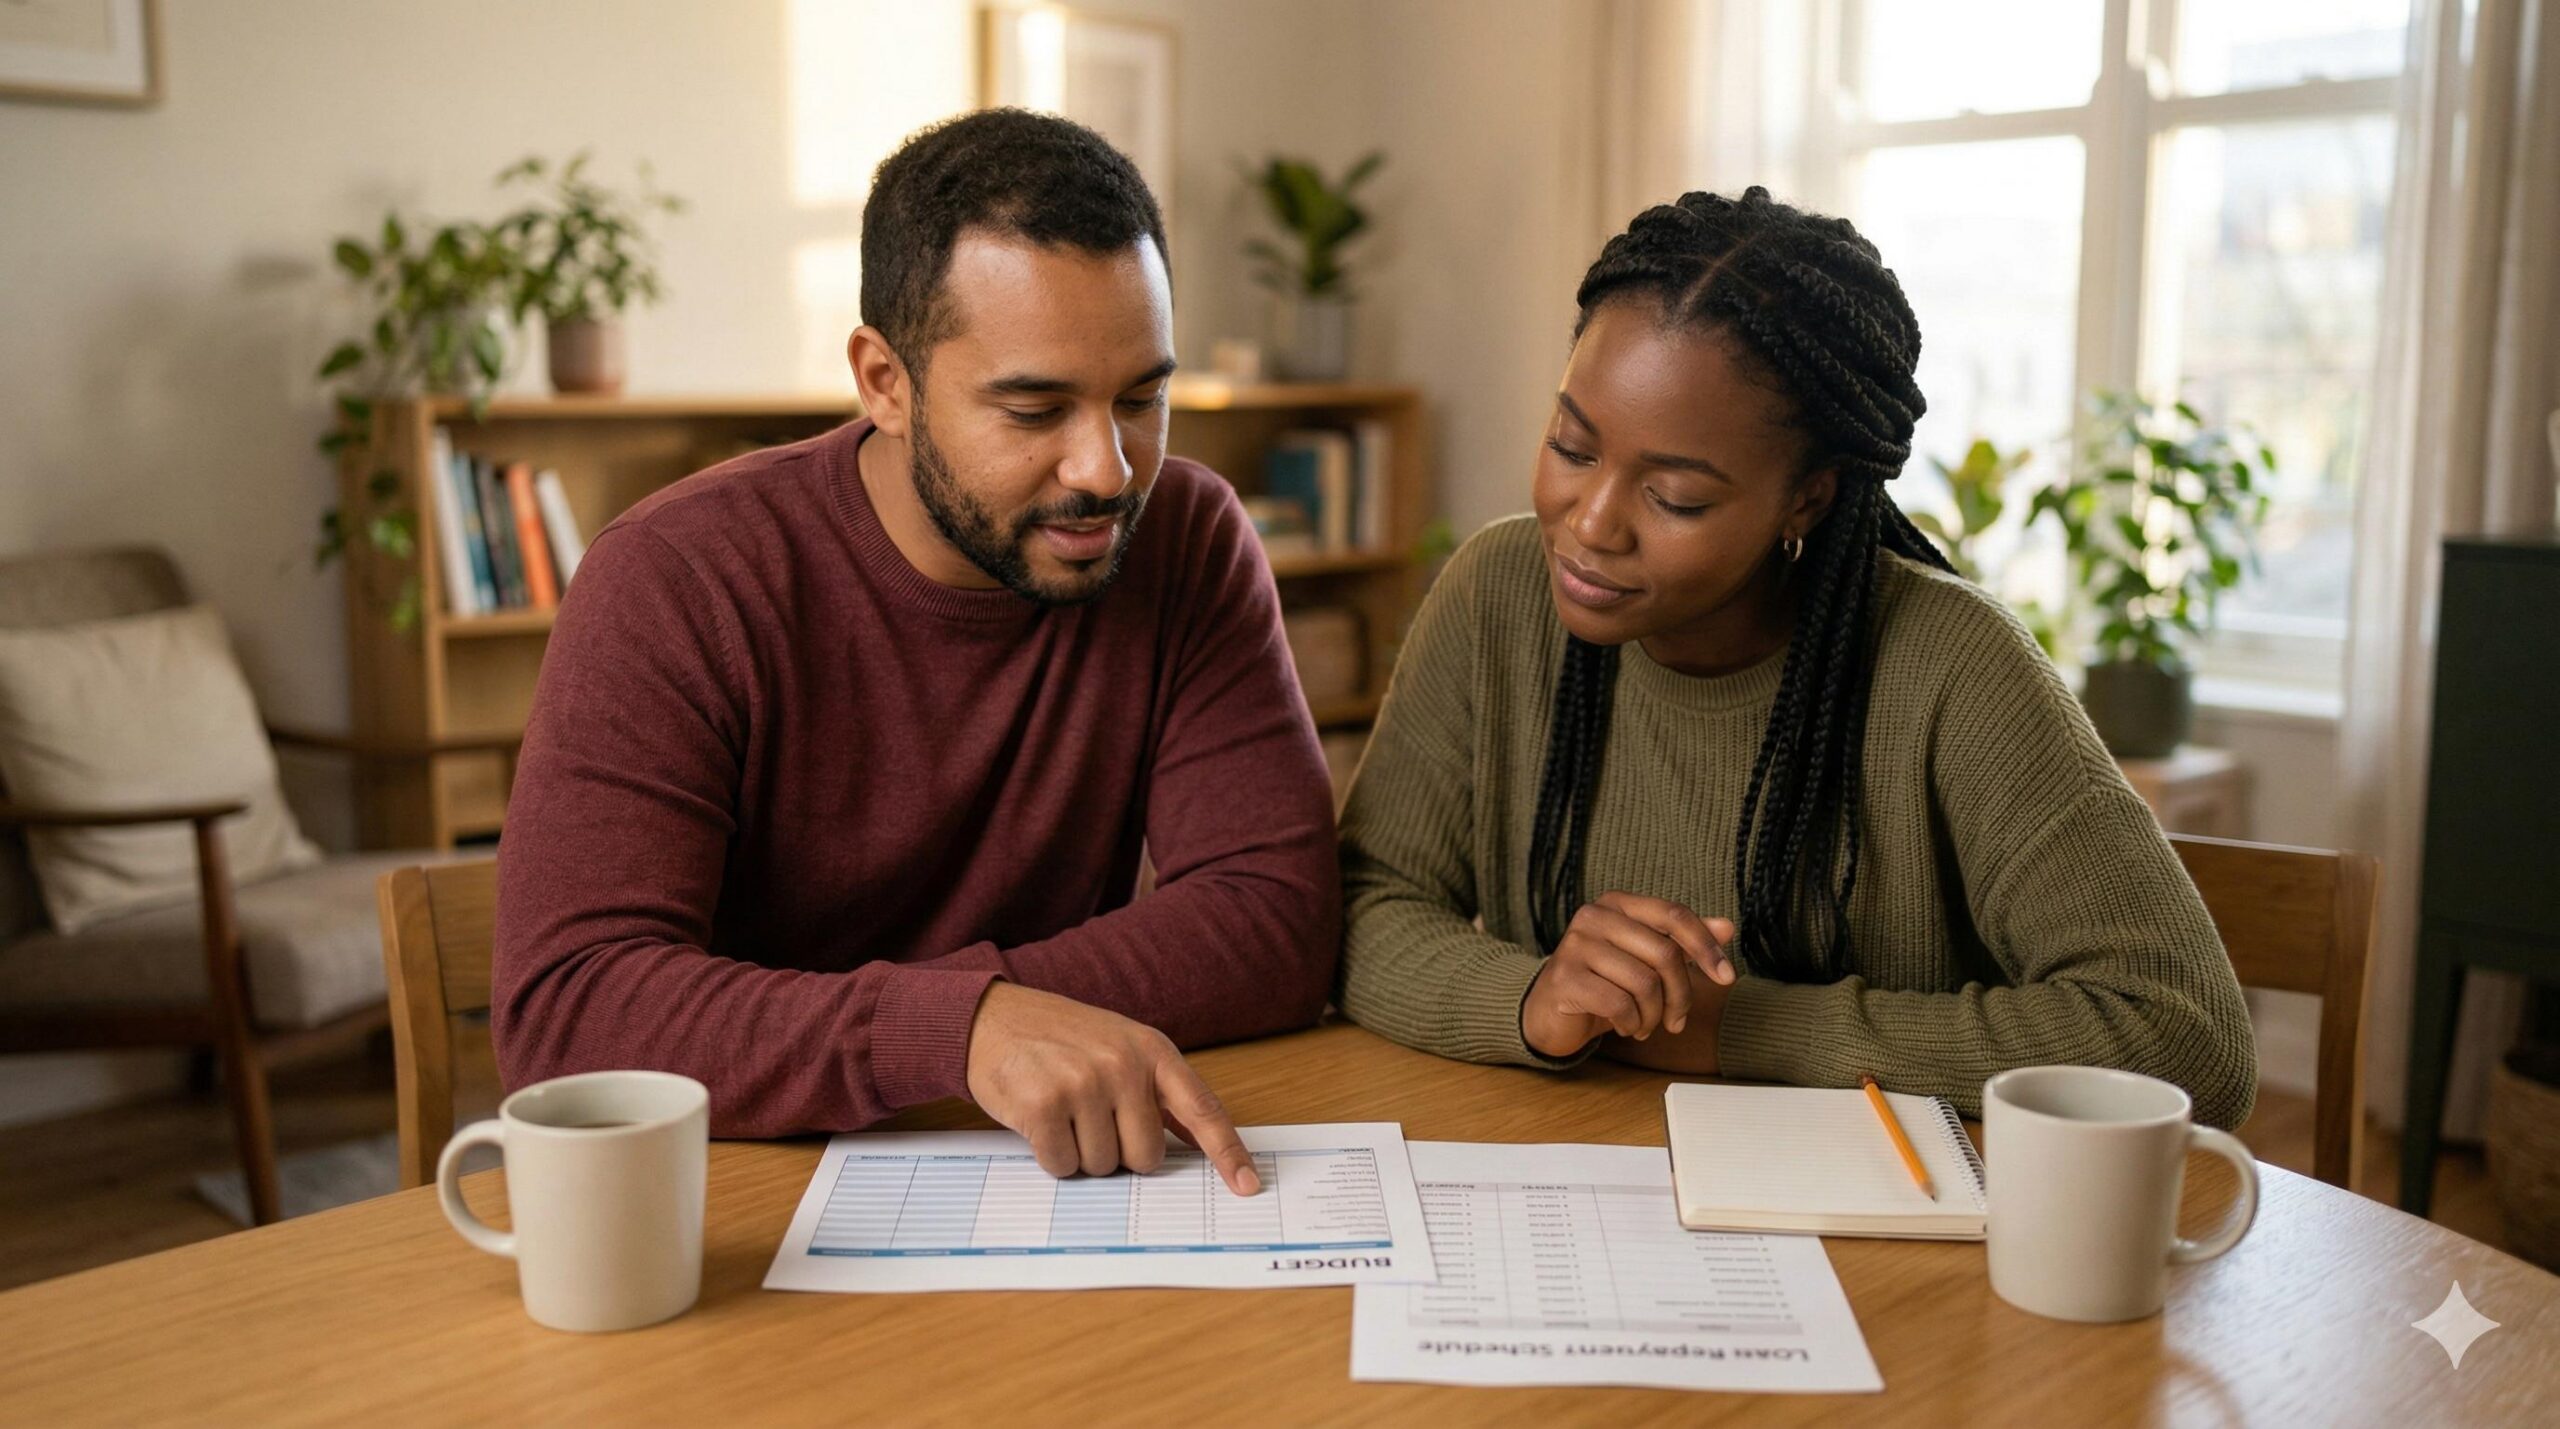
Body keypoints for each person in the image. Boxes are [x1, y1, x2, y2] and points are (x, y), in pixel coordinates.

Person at [492, 110, 1341, 1192]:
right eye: (1034, 409)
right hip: (751, 1197)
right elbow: (570, 1011)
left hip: (1051, 1175)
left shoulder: (1186, 536)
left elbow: (1275, 919)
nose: (1107, 468)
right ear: (884, 383)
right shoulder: (674, 577)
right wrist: (960, 1029)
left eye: (1141, 397)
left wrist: (990, 1032)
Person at [1336, 187, 2256, 1126]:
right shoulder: (1499, 595)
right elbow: (1365, 907)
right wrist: (1534, 1000)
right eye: (1572, 446)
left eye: (1677, 498)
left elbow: (2184, 1040)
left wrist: (1746, 1029)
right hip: (1581, 1185)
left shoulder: (1953, 666)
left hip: (1887, 1246)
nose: (1591, 522)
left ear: (1806, 501)